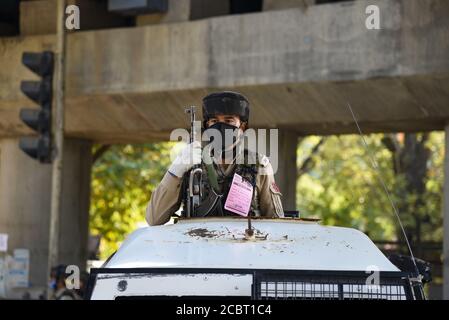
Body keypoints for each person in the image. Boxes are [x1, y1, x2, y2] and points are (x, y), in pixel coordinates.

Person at [146, 91, 284, 226]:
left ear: (242, 126)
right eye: (214, 121)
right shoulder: (191, 163)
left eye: (229, 120)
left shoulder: (259, 165)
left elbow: (278, 223)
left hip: (245, 244)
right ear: (207, 126)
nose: (221, 126)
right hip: (197, 245)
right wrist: (175, 171)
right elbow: (154, 219)